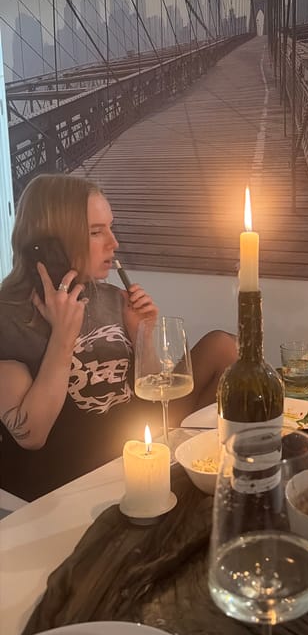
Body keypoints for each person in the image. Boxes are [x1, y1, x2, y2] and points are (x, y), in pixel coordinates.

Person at [0, 174, 237, 501]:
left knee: (224, 348)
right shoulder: (9, 315)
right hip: (68, 476)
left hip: (133, 446)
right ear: (52, 242)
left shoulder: (110, 297)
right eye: (96, 232)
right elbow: (30, 434)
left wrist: (142, 335)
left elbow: (151, 393)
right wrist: (63, 337)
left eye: (110, 228)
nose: (114, 243)